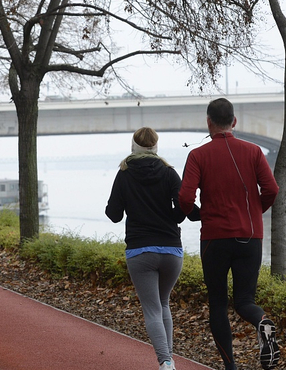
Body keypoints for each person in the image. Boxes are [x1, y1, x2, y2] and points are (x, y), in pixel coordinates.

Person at [179, 98, 280, 370]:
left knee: (218, 303)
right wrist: (255, 214)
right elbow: (272, 189)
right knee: (245, 300)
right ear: (234, 122)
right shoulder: (254, 151)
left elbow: (185, 196)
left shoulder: (198, 155)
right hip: (250, 236)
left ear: (209, 122)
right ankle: (262, 322)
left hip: (214, 238)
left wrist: (191, 212)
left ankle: (230, 366)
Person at [106, 127, 198, 370]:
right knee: (163, 303)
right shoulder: (169, 172)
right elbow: (183, 208)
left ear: (133, 145)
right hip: (171, 250)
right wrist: (171, 216)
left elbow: (114, 215)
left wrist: (129, 204)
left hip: (140, 250)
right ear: (155, 146)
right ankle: (169, 360)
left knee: (152, 309)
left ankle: (165, 361)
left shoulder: (124, 173)